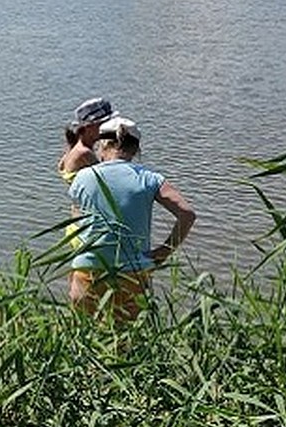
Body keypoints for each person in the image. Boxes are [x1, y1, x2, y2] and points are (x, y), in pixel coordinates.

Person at [68, 115, 196, 320]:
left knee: (87, 338)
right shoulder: (149, 178)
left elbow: (77, 224)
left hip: (89, 271)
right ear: (136, 150)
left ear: (101, 145)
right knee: (128, 345)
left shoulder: (83, 177)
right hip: (133, 274)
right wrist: (163, 252)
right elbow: (187, 215)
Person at [58, 97, 113, 180]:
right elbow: (107, 178)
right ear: (88, 127)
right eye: (102, 124)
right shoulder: (84, 153)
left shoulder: (73, 148)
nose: (108, 127)